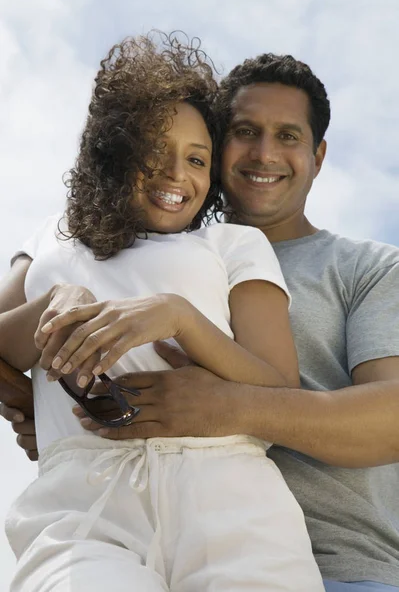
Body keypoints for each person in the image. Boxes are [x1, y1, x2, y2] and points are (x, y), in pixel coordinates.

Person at [6, 51, 398, 592]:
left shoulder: (366, 268)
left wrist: (225, 404)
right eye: (243, 131)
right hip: (107, 515)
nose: (264, 152)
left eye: (288, 135)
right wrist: (41, 405)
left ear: (318, 154)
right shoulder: (76, 242)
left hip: (337, 564)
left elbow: (392, 416)